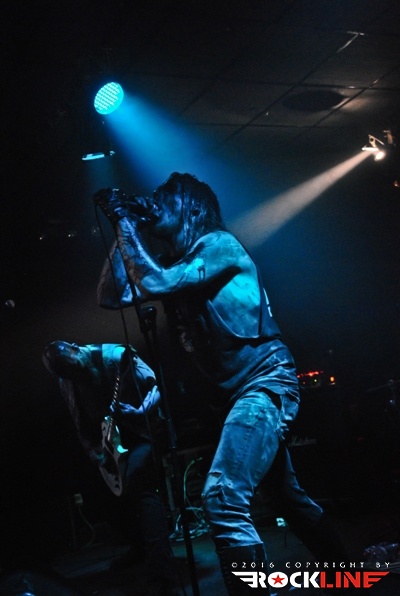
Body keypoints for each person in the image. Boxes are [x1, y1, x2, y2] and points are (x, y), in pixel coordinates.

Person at [93, 173, 351, 595]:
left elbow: (155, 283)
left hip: (264, 383)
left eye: (165, 196)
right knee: (287, 498)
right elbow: (110, 296)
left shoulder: (219, 245)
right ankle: (347, 575)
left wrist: (124, 218)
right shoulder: (174, 262)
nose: (154, 201)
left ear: (191, 206)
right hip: (231, 398)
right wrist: (126, 226)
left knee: (222, 497)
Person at [42, 341, 181, 596]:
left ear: (75, 348)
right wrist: (96, 453)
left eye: (77, 369)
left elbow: (157, 387)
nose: (77, 377)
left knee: (140, 485)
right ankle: (138, 545)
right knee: (98, 495)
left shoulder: (116, 356)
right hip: (109, 443)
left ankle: (162, 573)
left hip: (143, 431)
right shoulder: (67, 379)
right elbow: (78, 419)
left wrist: (140, 411)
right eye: (69, 375)